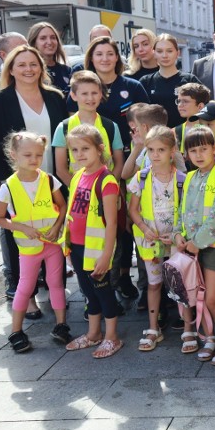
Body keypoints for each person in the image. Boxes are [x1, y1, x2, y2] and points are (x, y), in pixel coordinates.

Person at [0, 45, 68, 306]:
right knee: (19, 238)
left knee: (54, 228)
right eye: (21, 64)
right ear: (11, 69)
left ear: (41, 68)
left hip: (51, 178)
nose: (28, 69)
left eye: (33, 64)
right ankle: (27, 295)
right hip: (18, 181)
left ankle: (56, 287)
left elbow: (62, 138)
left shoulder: (54, 97)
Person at [0, 132, 68, 352]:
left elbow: (62, 206)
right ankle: (16, 331)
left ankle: (61, 324)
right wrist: (22, 227)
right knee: (25, 287)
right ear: (13, 155)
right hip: (28, 248)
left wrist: (56, 227)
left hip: (52, 244)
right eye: (27, 155)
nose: (34, 159)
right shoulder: (9, 186)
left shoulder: (48, 179)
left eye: (38, 155)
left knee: (56, 284)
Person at [175, 125, 215, 365]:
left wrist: (197, 242)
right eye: (193, 151)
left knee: (212, 298)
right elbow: (182, 211)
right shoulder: (191, 176)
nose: (199, 155)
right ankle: (208, 338)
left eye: (203, 149)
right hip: (190, 247)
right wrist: (178, 236)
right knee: (197, 297)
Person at [63, 124, 122, 358]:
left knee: (103, 291)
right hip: (77, 247)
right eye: (74, 150)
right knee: (88, 291)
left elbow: (112, 223)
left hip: (96, 250)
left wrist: (106, 255)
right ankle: (94, 333)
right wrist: (67, 244)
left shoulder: (106, 181)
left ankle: (112, 337)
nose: (79, 154)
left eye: (85, 148)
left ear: (99, 149)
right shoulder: (78, 175)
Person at [128, 126, 187, 352]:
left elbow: (186, 210)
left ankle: (189, 327)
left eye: (161, 149)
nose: (155, 154)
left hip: (175, 242)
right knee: (154, 285)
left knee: (180, 285)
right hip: (150, 242)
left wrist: (177, 233)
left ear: (172, 151)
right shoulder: (140, 178)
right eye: (151, 149)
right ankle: (153, 328)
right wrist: (143, 227)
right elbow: (133, 209)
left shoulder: (182, 179)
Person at [68, 36, 149, 150]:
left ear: (117, 57)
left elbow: (147, 123)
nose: (105, 59)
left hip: (130, 154)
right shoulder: (79, 88)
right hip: (90, 155)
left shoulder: (134, 87)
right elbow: (72, 123)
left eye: (110, 54)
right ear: (91, 58)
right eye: (99, 54)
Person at [53, 71, 124, 186]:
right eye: (84, 94)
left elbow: (119, 164)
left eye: (94, 93)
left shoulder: (111, 126)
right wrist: (80, 191)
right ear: (74, 95)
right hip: (79, 195)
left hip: (106, 194)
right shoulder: (63, 128)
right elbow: (61, 169)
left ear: (101, 94)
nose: (90, 98)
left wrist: (108, 188)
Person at [140, 34, 203, 128]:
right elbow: (140, 114)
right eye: (160, 51)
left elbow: (203, 109)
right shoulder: (146, 82)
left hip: (185, 137)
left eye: (169, 51)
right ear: (154, 53)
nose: (165, 55)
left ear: (177, 53)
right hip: (156, 137)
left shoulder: (190, 80)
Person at [27, 22, 72, 96]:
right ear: (34, 43)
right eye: (43, 38)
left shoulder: (67, 71)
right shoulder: (30, 72)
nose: (49, 42)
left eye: (53, 37)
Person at [173, 83, 211, 156]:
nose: (180, 105)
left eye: (185, 101)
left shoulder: (211, 130)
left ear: (200, 106)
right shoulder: (174, 132)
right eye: (179, 101)